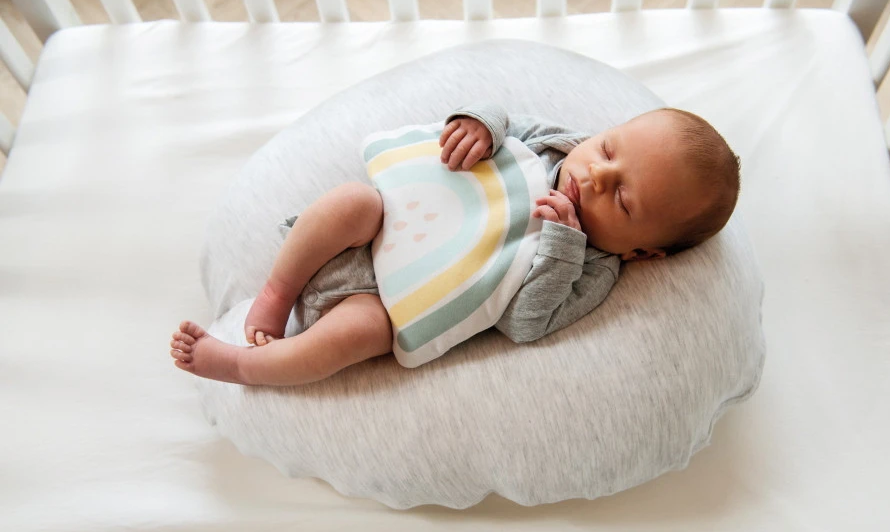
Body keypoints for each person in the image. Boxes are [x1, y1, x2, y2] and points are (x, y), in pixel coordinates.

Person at [170, 104, 741, 386]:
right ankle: (277, 292)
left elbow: (526, 324)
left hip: (383, 301)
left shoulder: (592, 269)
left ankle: (244, 365)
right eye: (609, 150)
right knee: (353, 202)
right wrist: (481, 126)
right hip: (375, 230)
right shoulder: (554, 147)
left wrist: (563, 244)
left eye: (622, 199)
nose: (594, 176)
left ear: (642, 252)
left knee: (366, 333)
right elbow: (506, 124)